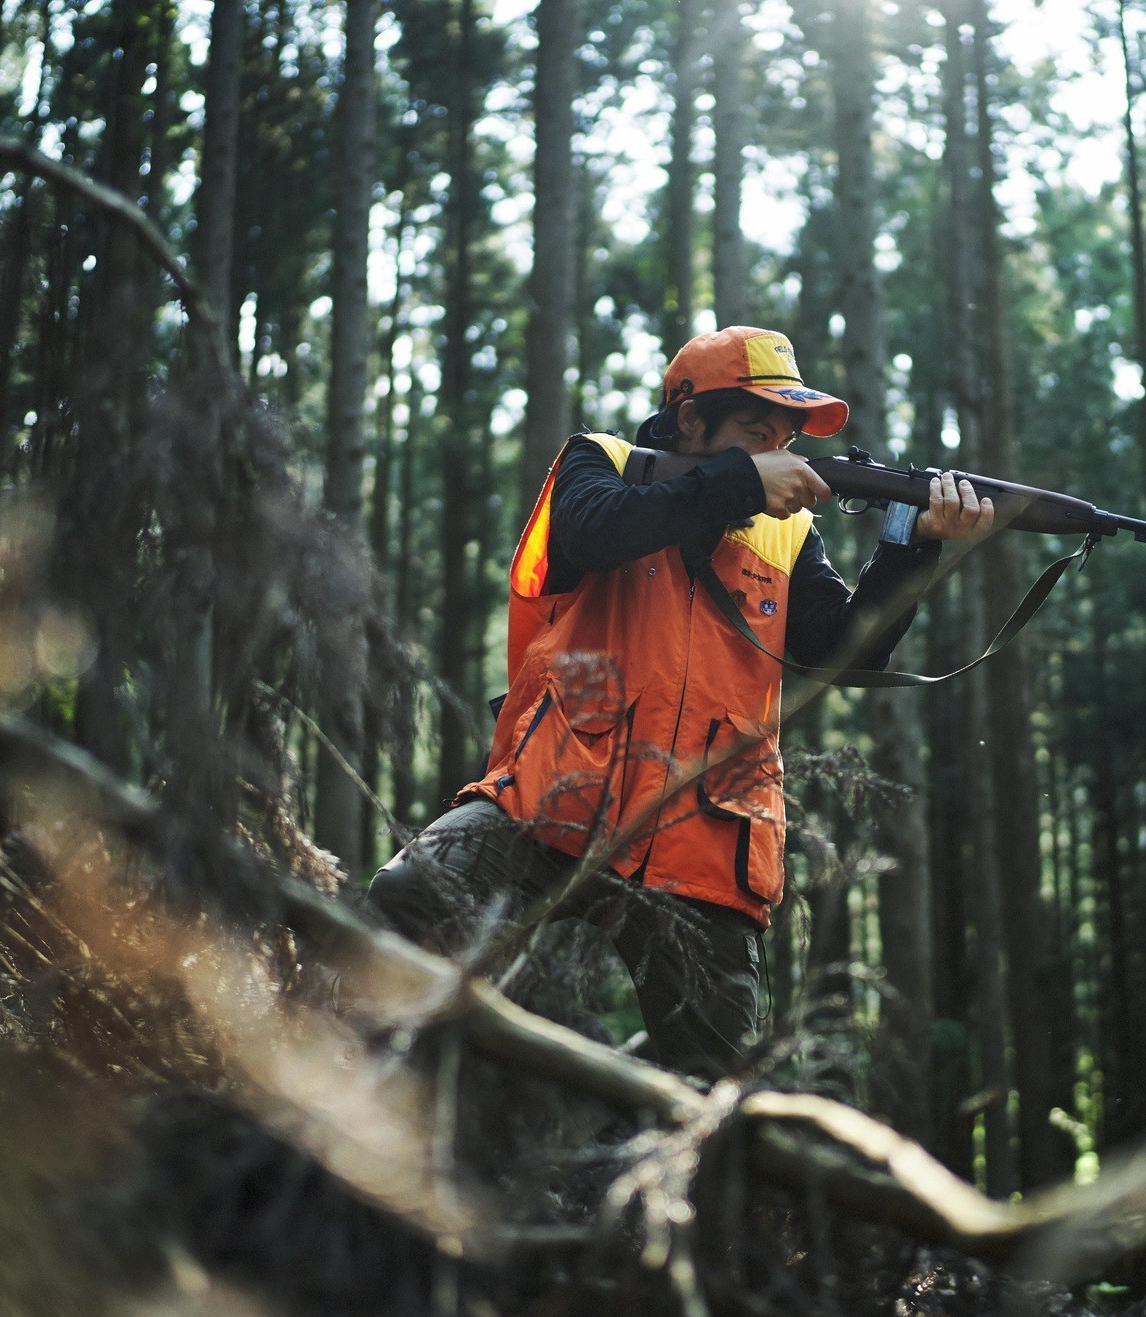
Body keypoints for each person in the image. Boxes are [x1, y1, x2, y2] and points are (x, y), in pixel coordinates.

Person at [366, 326, 992, 1079]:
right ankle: (383, 1113)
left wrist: (910, 546)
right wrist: (739, 484)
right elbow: (591, 533)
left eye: (785, 439)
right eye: (757, 433)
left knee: (712, 1092)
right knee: (408, 896)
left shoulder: (790, 533)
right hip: (553, 797)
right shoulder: (603, 463)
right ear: (690, 418)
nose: (779, 453)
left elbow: (845, 655)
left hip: (708, 840)